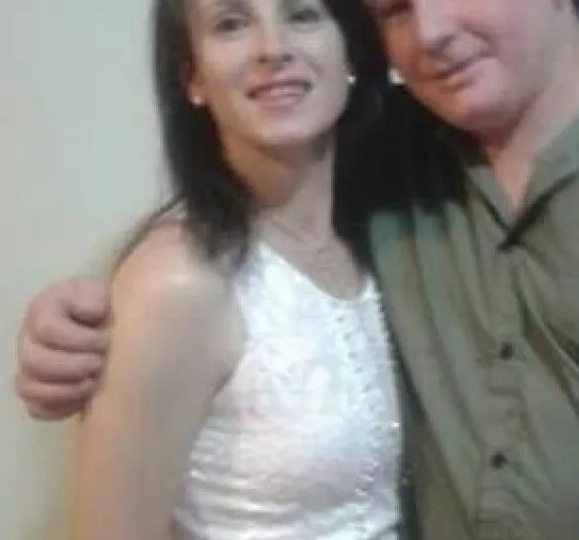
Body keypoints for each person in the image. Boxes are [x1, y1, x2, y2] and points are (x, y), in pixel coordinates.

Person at [15, 0, 579, 539]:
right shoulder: (380, 156)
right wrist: (79, 320)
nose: (432, 34)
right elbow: (239, 243)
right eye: (394, 9)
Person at [37, 0, 408, 538]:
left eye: (302, 15)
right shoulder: (178, 281)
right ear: (193, 78)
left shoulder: (384, 233)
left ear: (348, 49)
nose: (273, 48)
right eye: (231, 24)